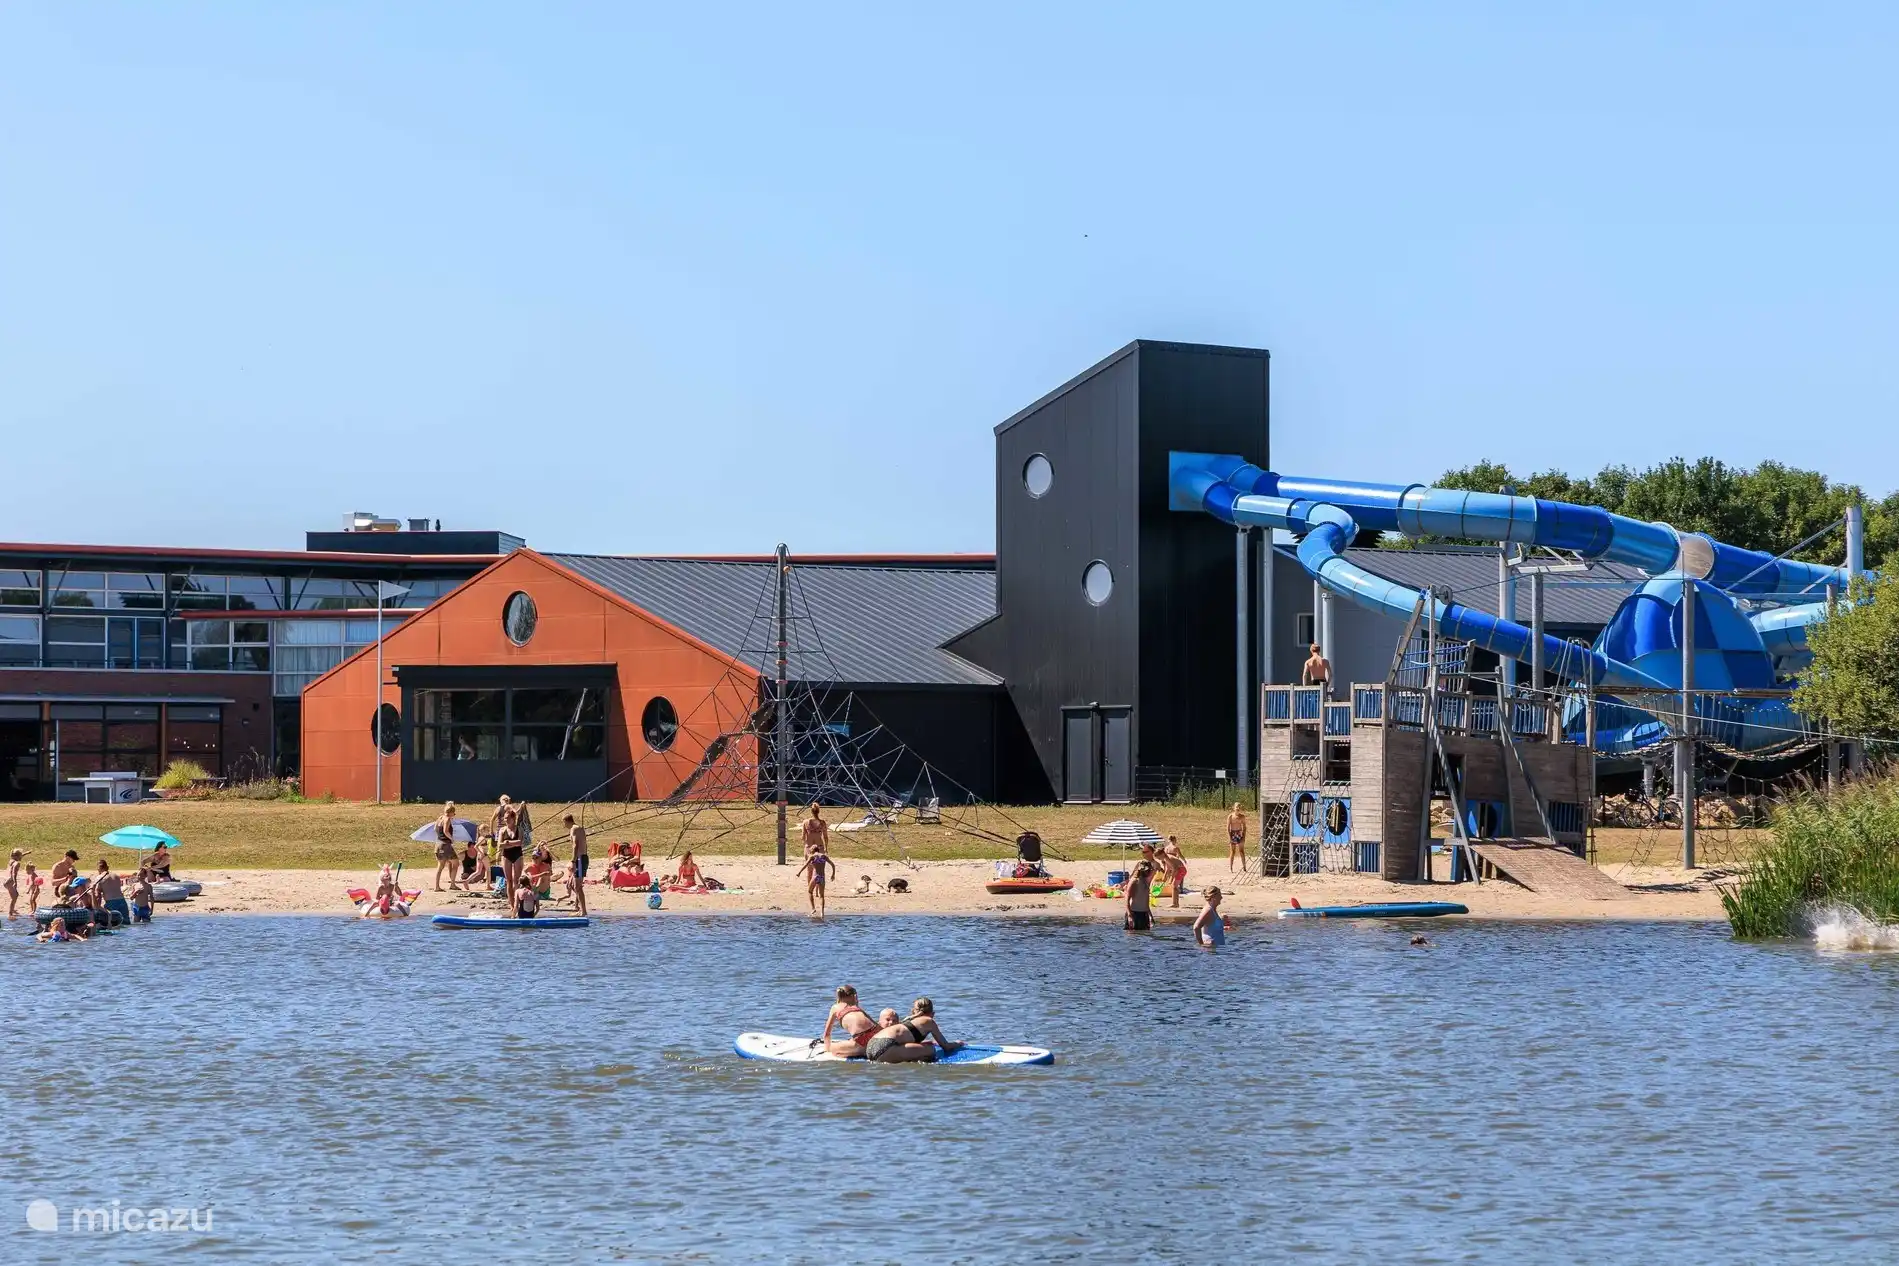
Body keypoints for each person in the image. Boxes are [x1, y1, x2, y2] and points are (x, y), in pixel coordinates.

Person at [866, 998, 965, 1064]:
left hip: (870, 1047)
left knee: (925, 1046)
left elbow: (901, 1041)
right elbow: (946, 1046)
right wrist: (957, 1043)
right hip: (884, 1049)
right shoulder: (929, 1021)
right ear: (932, 1013)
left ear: (913, 1011)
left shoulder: (908, 1020)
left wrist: (927, 1042)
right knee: (931, 1050)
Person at [819, 984, 879, 1058]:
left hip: (859, 1040)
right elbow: (877, 1026)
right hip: (874, 1035)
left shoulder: (835, 1007)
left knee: (832, 1048)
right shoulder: (858, 1009)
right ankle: (862, 1049)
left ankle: (861, 1051)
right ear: (854, 996)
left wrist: (827, 1048)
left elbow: (827, 1034)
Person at [797, 846, 836, 919]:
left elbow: (805, 865)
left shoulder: (812, 856)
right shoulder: (824, 856)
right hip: (822, 877)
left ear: (813, 850)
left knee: (810, 891)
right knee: (821, 896)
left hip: (815, 877)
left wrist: (799, 872)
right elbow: (832, 865)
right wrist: (833, 874)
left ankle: (813, 908)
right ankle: (822, 913)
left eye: (811, 849)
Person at [432, 801, 460, 892]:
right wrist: (451, 839)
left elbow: (435, 828)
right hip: (445, 845)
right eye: (454, 813)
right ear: (451, 812)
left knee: (440, 866)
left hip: (438, 844)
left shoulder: (440, 818)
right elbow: (446, 831)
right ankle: (452, 884)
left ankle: (437, 886)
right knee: (456, 863)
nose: (454, 815)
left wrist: (440, 836)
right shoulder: (447, 819)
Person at [564, 815, 588, 917]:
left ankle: (583, 911)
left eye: (564, 822)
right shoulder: (579, 828)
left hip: (580, 859)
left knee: (578, 886)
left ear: (567, 821)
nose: (564, 825)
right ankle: (578, 908)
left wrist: (573, 861)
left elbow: (575, 844)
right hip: (583, 858)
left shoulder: (573, 829)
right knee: (575, 885)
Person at [93, 861, 130, 927]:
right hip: (122, 901)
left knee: (112, 925)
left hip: (111, 902)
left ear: (99, 868)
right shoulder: (116, 876)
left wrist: (98, 908)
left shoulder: (99, 878)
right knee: (126, 925)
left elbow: (97, 895)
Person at [1124, 855, 1156, 932]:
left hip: (1144, 913)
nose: (1149, 872)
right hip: (1134, 913)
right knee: (1133, 937)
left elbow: (1146, 901)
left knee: (1145, 937)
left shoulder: (1145, 882)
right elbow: (1127, 899)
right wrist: (1129, 915)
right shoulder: (1134, 881)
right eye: (1147, 870)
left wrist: (1150, 916)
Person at [1159, 836, 1187, 909]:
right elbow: (1179, 855)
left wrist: (1169, 877)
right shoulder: (1174, 848)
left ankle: (1175, 903)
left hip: (1177, 868)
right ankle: (1175, 901)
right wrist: (1184, 860)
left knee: (1174, 885)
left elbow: (1174, 868)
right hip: (1174, 867)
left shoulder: (1166, 849)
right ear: (1174, 840)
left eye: (1159, 858)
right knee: (1174, 885)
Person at [1226, 802, 1249, 872]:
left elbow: (1244, 827)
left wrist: (1244, 836)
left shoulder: (1242, 816)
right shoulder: (1230, 816)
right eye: (1237, 807)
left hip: (1239, 833)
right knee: (1232, 851)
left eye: (1239, 807)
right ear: (1234, 808)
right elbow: (1228, 828)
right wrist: (1230, 837)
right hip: (1233, 833)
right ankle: (1231, 868)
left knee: (1241, 851)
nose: (1238, 808)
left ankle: (1244, 867)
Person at [4, 848, 22, 919]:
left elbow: (20, 856)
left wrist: (27, 853)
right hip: (10, 881)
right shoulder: (17, 863)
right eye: (20, 856)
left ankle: (12, 909)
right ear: (17, 856)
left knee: (15, 895)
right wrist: (15, 882)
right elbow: (14, 873)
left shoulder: (11, 860)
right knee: (14, 897)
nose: (21, 857)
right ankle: (10, 913)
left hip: (5, 881)